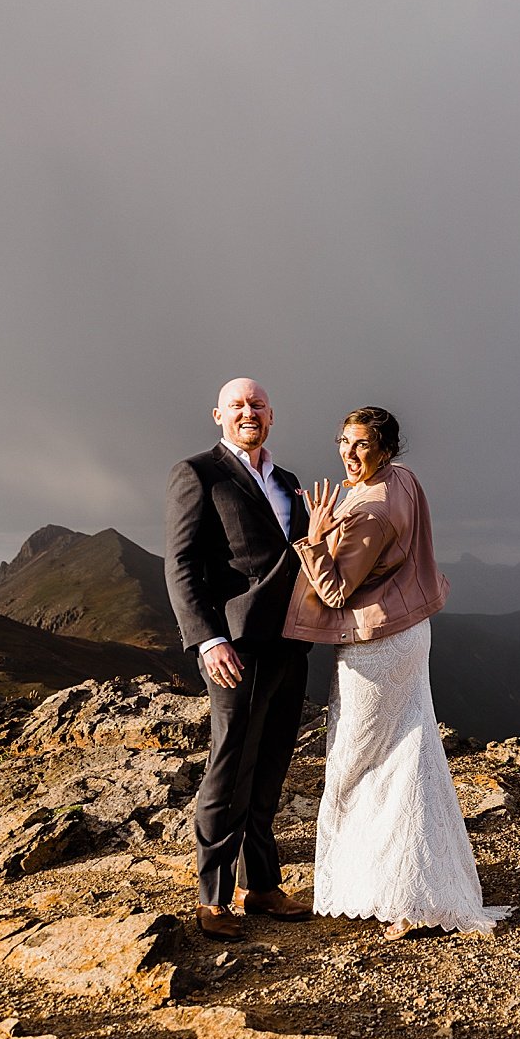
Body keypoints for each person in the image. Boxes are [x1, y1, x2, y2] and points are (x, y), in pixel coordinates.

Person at [283, 406, 511, 938]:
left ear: (385, 449)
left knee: (359, 763)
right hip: (409, 632)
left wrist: (314, 538)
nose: (348, 452)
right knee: (410, 748)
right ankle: (415, 881)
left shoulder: (372, 510)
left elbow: (335, 591)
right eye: (343, 440)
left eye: (361, 444)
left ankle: (387, 888)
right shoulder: (404, 481)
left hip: (375, 646)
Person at [165, 377, 316, 942]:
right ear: (218, 415)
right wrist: (207, 639)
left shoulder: (289, 482)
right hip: (235, 646)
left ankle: (263, 886)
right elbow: (180, 564)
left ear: (271, 416)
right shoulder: (197, 473)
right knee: (230, 767)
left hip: (291, 642)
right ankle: (213, 897)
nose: (248, 412)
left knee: (272, 763)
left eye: (257, 405)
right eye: (237, 405)